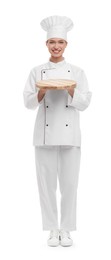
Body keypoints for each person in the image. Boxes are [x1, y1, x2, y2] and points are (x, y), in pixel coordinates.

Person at [23, 15, 92, 247]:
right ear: (46, 44)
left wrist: (71, 91)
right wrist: (41, 93)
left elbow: (85, 102)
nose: (56, 46)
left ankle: (67, 229)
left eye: (60, 42)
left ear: (66, 45)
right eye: (52, 42)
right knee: (46, 185)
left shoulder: (77, 72)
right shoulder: (36, 71)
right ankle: (53, 229)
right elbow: (28, 102)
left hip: (70, 134)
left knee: (70, 184)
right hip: (43, 136)